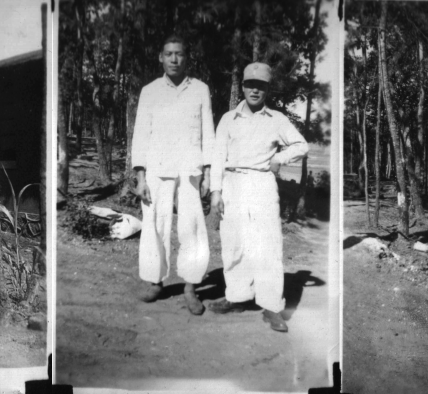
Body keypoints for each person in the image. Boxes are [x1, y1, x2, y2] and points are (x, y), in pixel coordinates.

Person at [207, 62, 309, 332]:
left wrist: (279, 157)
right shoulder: (229, 119)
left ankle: (272, 306)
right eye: (250, 84)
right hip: (233, 183)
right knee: (234, 242)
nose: (255, 90)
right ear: (242, 86)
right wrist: (215, 192)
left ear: (267, 89)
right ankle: (238, 297)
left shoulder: (276, 120)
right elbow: (217, 157)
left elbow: (301, 144)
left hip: (262, 183)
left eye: (261, 86)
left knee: (268, 245)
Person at [131, 35, 215, 315]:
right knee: (155, 224)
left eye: (179, 54)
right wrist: (141, 176)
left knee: (192, 227)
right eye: (169, 54)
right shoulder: (150, 90)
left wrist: (208, 173)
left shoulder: (200, 89)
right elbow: (141, 134)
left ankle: (191, 287)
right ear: (160, 57)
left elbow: (208, 132)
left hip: (191, 169)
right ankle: (156, 282)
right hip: (157, 168)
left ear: (186, 57)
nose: (174, 60)